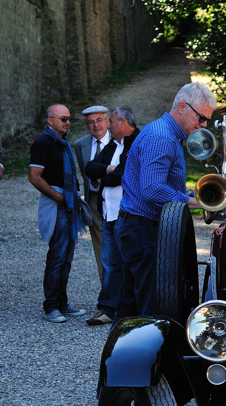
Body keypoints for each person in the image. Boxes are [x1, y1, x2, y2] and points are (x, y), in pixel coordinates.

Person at [116, 82, 214, 319]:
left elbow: (157, 186)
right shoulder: (162, 138)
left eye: (207, 121)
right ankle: (149, 356)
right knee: (150, 311)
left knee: (129, 308)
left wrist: (193, 195)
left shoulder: (163, 132)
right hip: (143, 230)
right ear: (182, 106)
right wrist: (198, 202)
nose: (203, 125)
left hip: (137, 228)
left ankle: (120, 356)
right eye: (201, 118)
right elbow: (152, 190)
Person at [28, 104, 87, 323]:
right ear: (49, 121)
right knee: (57, 257)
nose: (67, 122)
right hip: (59, 205)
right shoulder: (43, 143)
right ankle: (51, 306)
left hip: (69, 205)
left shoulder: (61, 143)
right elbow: (34, 176)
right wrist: (58, 197)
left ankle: (62, 303)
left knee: (66, 258)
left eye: (69, 119)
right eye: (63, 119)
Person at [84, 106, 140, 326]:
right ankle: (107, 308)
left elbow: (122, 175)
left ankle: (127, 309)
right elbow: (90, 168)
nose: (108, 125)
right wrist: (108, 169)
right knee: (109, 262)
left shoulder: (135, 141)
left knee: (128, 262)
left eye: (111, 122)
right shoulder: (113, 144)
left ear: (122, 122)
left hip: (127, 215)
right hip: (108, 213)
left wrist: (104, 176)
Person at [73, 105, 110, 280]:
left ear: (108, 121)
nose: (96, 125)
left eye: (99, 120)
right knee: (100, 248)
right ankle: (107, 296)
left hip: (116, 201)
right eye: (90, 122)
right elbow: (85, 172)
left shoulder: (118, 142)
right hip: (94, 201)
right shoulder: (81, 145)